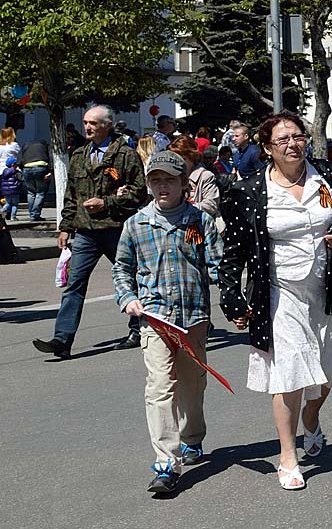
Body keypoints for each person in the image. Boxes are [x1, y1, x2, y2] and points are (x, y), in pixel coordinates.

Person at [218, 110, 332, 491]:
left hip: (327, 288)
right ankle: (288, 456)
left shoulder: (328, 176)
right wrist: (233, 298)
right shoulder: (249, 190)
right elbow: (233, 251)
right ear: (267, 148)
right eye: (282, 140)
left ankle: (312, 419)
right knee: (288, 374)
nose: (292, 144)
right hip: (279, 293)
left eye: (297, 136)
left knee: (327, 370)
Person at [112, 150, 223, 493]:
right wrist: (128, 298)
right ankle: (166, 462)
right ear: (148, 184)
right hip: (155, 319)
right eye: (156, 180)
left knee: (192, 384)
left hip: (193, 318)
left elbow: (217, 263)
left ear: (183, 185)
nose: (162, 186)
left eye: (169, 180)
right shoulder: (136, 225)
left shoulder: (198, 221)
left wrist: (233, 287)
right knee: (160, 387)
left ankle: (192, 438)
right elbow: (121, 268)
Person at [32, 105, 147, 360]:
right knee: (74, 285)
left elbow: (139, 192)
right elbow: (71, 195)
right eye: (85, 122)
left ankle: (139, 329)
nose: (87, 127)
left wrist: (106, 202)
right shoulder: (79, 155)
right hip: (85, 232)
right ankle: (62, 339)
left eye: (93, 123)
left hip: (116, 229)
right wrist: (65, 227)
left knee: (131, 278)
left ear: (107, 124)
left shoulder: (125, 154)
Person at [168, 135, 220, 218]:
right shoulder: (169, 175)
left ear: (192, 157)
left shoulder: (205, 176)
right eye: (174, 159)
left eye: (182, 159)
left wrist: (185, 208)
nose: (178, 163)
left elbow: (211, 205)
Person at [18, 140, 52, 221]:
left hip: (27, 168)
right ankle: (35, 214)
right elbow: (51, 157)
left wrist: (22, 169)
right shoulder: (45, 144)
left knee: (30, 192)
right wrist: (51, 171)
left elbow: (19, 160)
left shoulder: (25, 144)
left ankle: (31, 214)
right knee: (40, 192)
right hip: (41, 167)